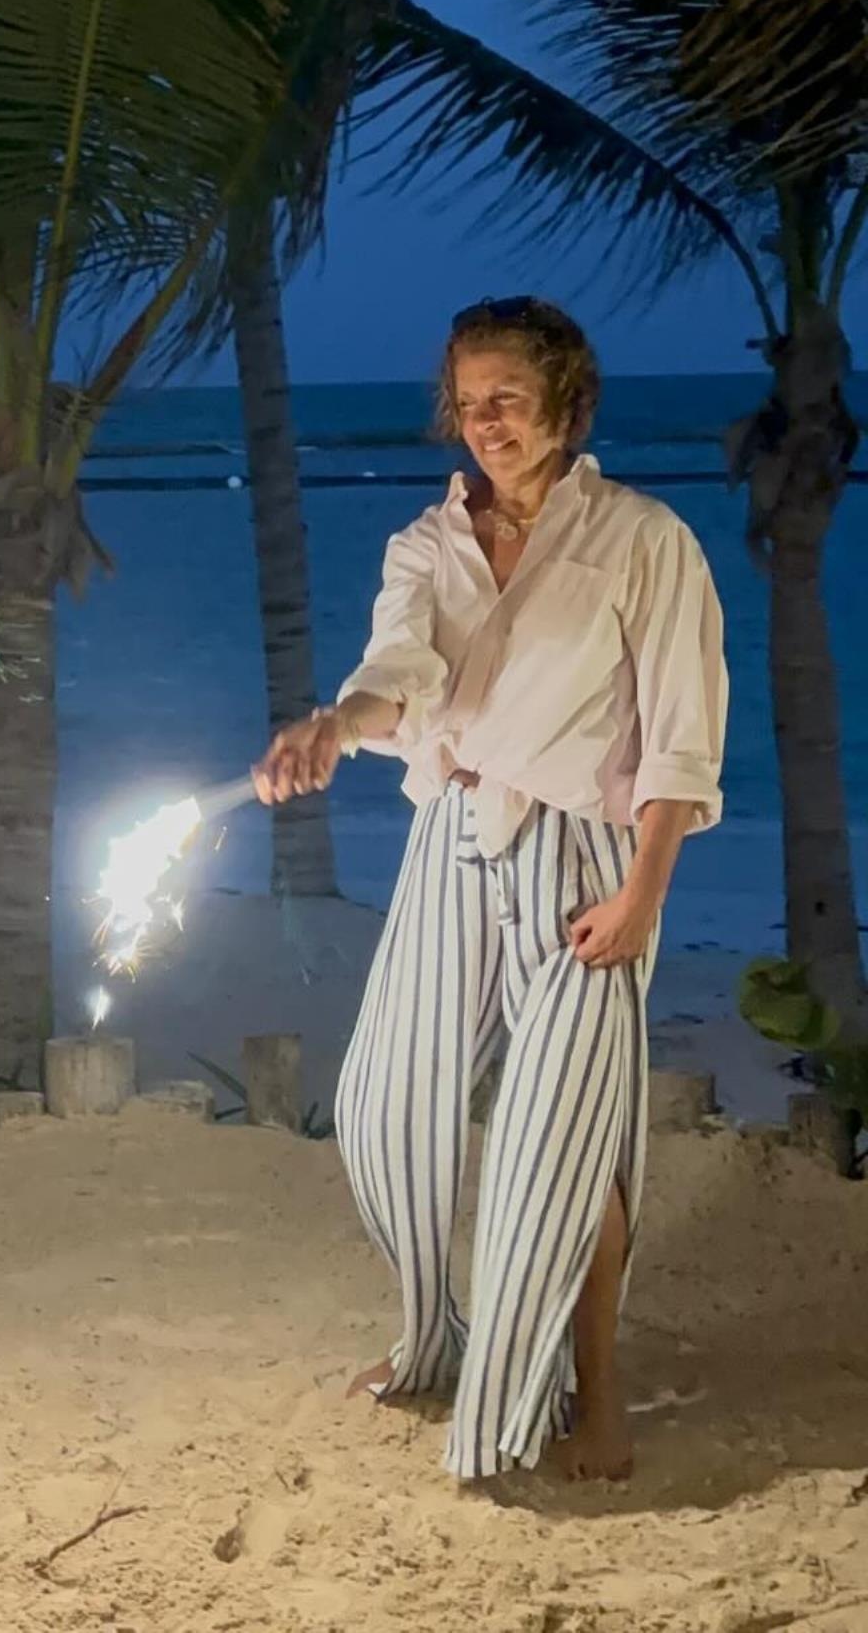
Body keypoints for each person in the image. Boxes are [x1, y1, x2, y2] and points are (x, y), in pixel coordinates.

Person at [255, 297, 726, 1483]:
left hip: (584, 863)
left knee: (560, 1143)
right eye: (469, 403)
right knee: (381, 1110)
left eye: (509, 398)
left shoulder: (644, 540)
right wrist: (335, 724)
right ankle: (436, 1336)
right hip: (454, 842)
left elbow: (680, 739)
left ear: (567, 402)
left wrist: (644, 897)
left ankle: (594, 1394)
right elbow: (399, 671)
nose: (486, 422)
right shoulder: (426, 545)